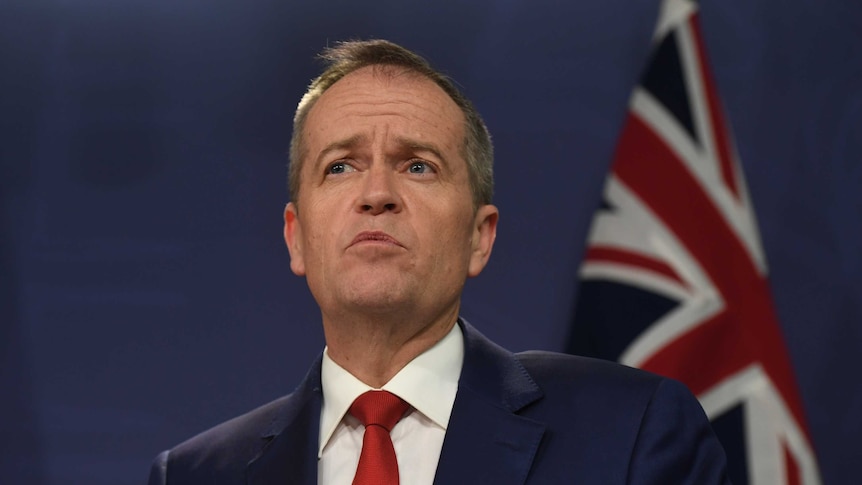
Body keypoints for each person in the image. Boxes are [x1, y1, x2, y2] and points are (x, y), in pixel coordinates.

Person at [148, 39, 730, 484]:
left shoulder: (631, 433)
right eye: (340, 167)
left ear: (480, 236)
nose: (377, 193)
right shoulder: (197, 475)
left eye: (418, 165)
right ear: (296, 238)